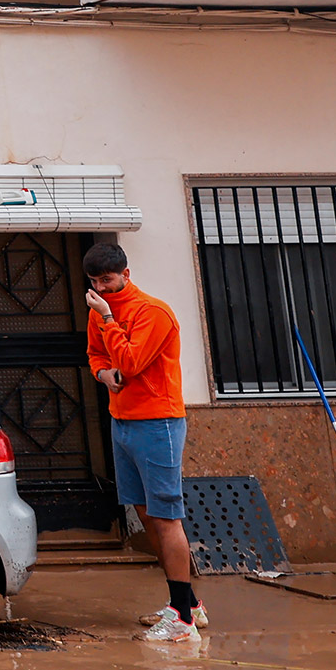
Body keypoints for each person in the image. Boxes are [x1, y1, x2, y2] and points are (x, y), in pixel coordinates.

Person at [82, 241, 203, 643]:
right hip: (123, 421)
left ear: (126, 275)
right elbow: (97, 356)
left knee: (166, 516)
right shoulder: (98, 312)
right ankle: (188, 604)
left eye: (109, 280)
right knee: (146, 513)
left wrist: (107, 317)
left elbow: (132, 361)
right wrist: (102, 376)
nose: (103, 287)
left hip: (159, 423)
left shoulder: (154, 312)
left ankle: (182, 621)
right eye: (96, 282)